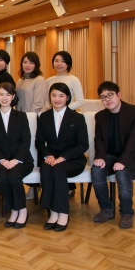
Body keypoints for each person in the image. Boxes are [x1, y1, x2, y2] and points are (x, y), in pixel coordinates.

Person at [91, 81, 135, 229]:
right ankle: (106, 209)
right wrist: (100, 157)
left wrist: (123, 161)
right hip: (111, 155)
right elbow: (99, 140)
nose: (107, 99)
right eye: (103, 97)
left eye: (110, 95)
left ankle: (127, 212)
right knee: (96, 170)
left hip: (134, 156)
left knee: (122, 173)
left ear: (119, 95)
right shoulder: (100, 116)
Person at [35, 82, 88, 232]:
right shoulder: (44, 117)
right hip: (51, 158)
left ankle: (63, 212)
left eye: (61, 96)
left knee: (58, 170)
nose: (57, 99)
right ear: (50, 97)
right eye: (54, 95)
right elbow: (39, 142)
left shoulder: (77, 118)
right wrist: (48, 155)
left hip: (73, 160)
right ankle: (52, 212)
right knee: (46, 169)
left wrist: (63, 158)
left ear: (67, 98)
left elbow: (83, 145)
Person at [0, 83, 34, 229]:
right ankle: (13, 210)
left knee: (14, 176)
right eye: (1, 94)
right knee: (1, 177)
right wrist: (1, 160)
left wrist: (16, 160)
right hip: (3, 161)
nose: (4, 98)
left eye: (8, 94)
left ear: (13, 96)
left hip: (22, 160)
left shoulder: (21, 116)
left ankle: (22, 210)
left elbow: (26, 141)